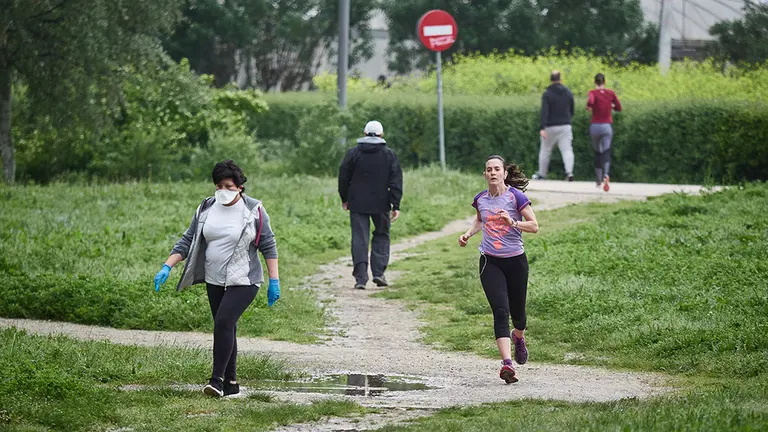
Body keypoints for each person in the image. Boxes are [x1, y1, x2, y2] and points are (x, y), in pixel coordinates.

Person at [153, 160, 280, 398]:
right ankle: (232, 383)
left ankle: (217, 381)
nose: (224, 190)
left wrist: (274, 281)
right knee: (226, 327)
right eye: (219, 185)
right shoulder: (206, 208)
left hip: (244, 280)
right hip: (214, 279)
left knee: (223, 322)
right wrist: (167, 267)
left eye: (229, 186)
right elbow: (188, 240)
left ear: (240, 187)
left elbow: (268, 245)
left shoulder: (253, 211)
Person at [458, 155, 539, 384]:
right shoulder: (480, 199)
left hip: (515, 262)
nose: (492, 173)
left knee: (519, 315)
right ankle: (507, 363)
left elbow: (534, 226)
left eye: (496, 169)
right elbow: (479, 220)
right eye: (488, 170)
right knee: (500, 311)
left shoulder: (516, 197)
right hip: (490, 261)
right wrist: (467, 234)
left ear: (504, 173)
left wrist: (512, 222)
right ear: (485, 174)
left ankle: (519, 336)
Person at [338, 120, 403, 290]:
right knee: (381, 235)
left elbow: (343, 177)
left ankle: (360, 278)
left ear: (365, 133)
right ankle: (378, 273)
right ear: (382, 135)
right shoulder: (389, 154)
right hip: (381, 203)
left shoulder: (353, 153)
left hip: (357, 203)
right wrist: (395, 204)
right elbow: (396, 180)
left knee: (360, 239)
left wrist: (344, 198)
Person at [534, 70, 575, 182]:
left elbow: (544, 112)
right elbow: (572, 110)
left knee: (545, 150)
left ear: (551, 80)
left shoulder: (547, 94)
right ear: (561, 79)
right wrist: (567, 119)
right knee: (567, 150)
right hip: (565, 125)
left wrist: (542, 127)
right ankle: (569, 172)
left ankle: (542, 174)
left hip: (550, 126)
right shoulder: (568, 92)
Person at [587, 73, 622, 192]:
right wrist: (610, 106)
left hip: (595, 126)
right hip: (607, 126)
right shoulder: (610, 93)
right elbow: (619, 107)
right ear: (604, 82)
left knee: (597, 152)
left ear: (595, 82)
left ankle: (598, 179)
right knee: (606, 151)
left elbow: (590, 102)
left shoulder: (592, 92)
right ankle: (606, 175)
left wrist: (589, 106)